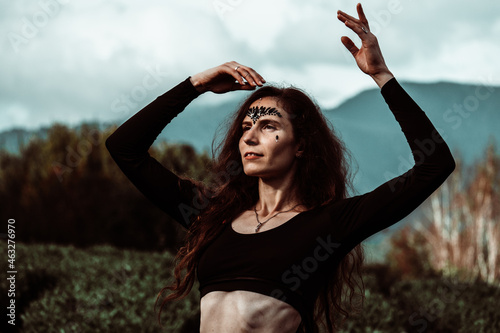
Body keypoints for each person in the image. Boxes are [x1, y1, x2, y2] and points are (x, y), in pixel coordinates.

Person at [105, 3, 455, 333]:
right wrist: (194, 85)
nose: (251, 137)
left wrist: (382, 76)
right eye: (245, 128)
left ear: (301, 144)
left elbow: (434, 165)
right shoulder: (210, 215)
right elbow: (124, 148)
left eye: (268, 126)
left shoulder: (329, 224)